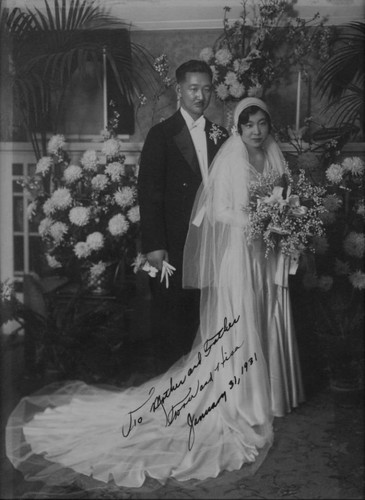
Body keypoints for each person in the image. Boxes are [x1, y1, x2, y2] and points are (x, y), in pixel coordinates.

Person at [5, 97, 304, 491]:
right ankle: (241, 398)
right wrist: (262, 218)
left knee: (266, 312)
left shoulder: (274, 158)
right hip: (239, 254)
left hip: (264, 254)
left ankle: (271, 391)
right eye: (249, 125)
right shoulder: (232, 158)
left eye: (262, 124)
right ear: (238, 128)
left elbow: (283, 198)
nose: (256, 131)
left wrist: (283, 218)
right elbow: (219, 211)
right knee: (241, 320)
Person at [138, 59, 228, 372]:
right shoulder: (161, 134)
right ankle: (170, 395)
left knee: (205, 316)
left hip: (212, 241)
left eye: (206, 89)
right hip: (173, 242)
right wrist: (154, 246)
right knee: (171, 317)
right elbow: (148, 195)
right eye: (193, 89)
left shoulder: (222, 135)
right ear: (179, 90)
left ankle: (202, 389)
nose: (200, 96)